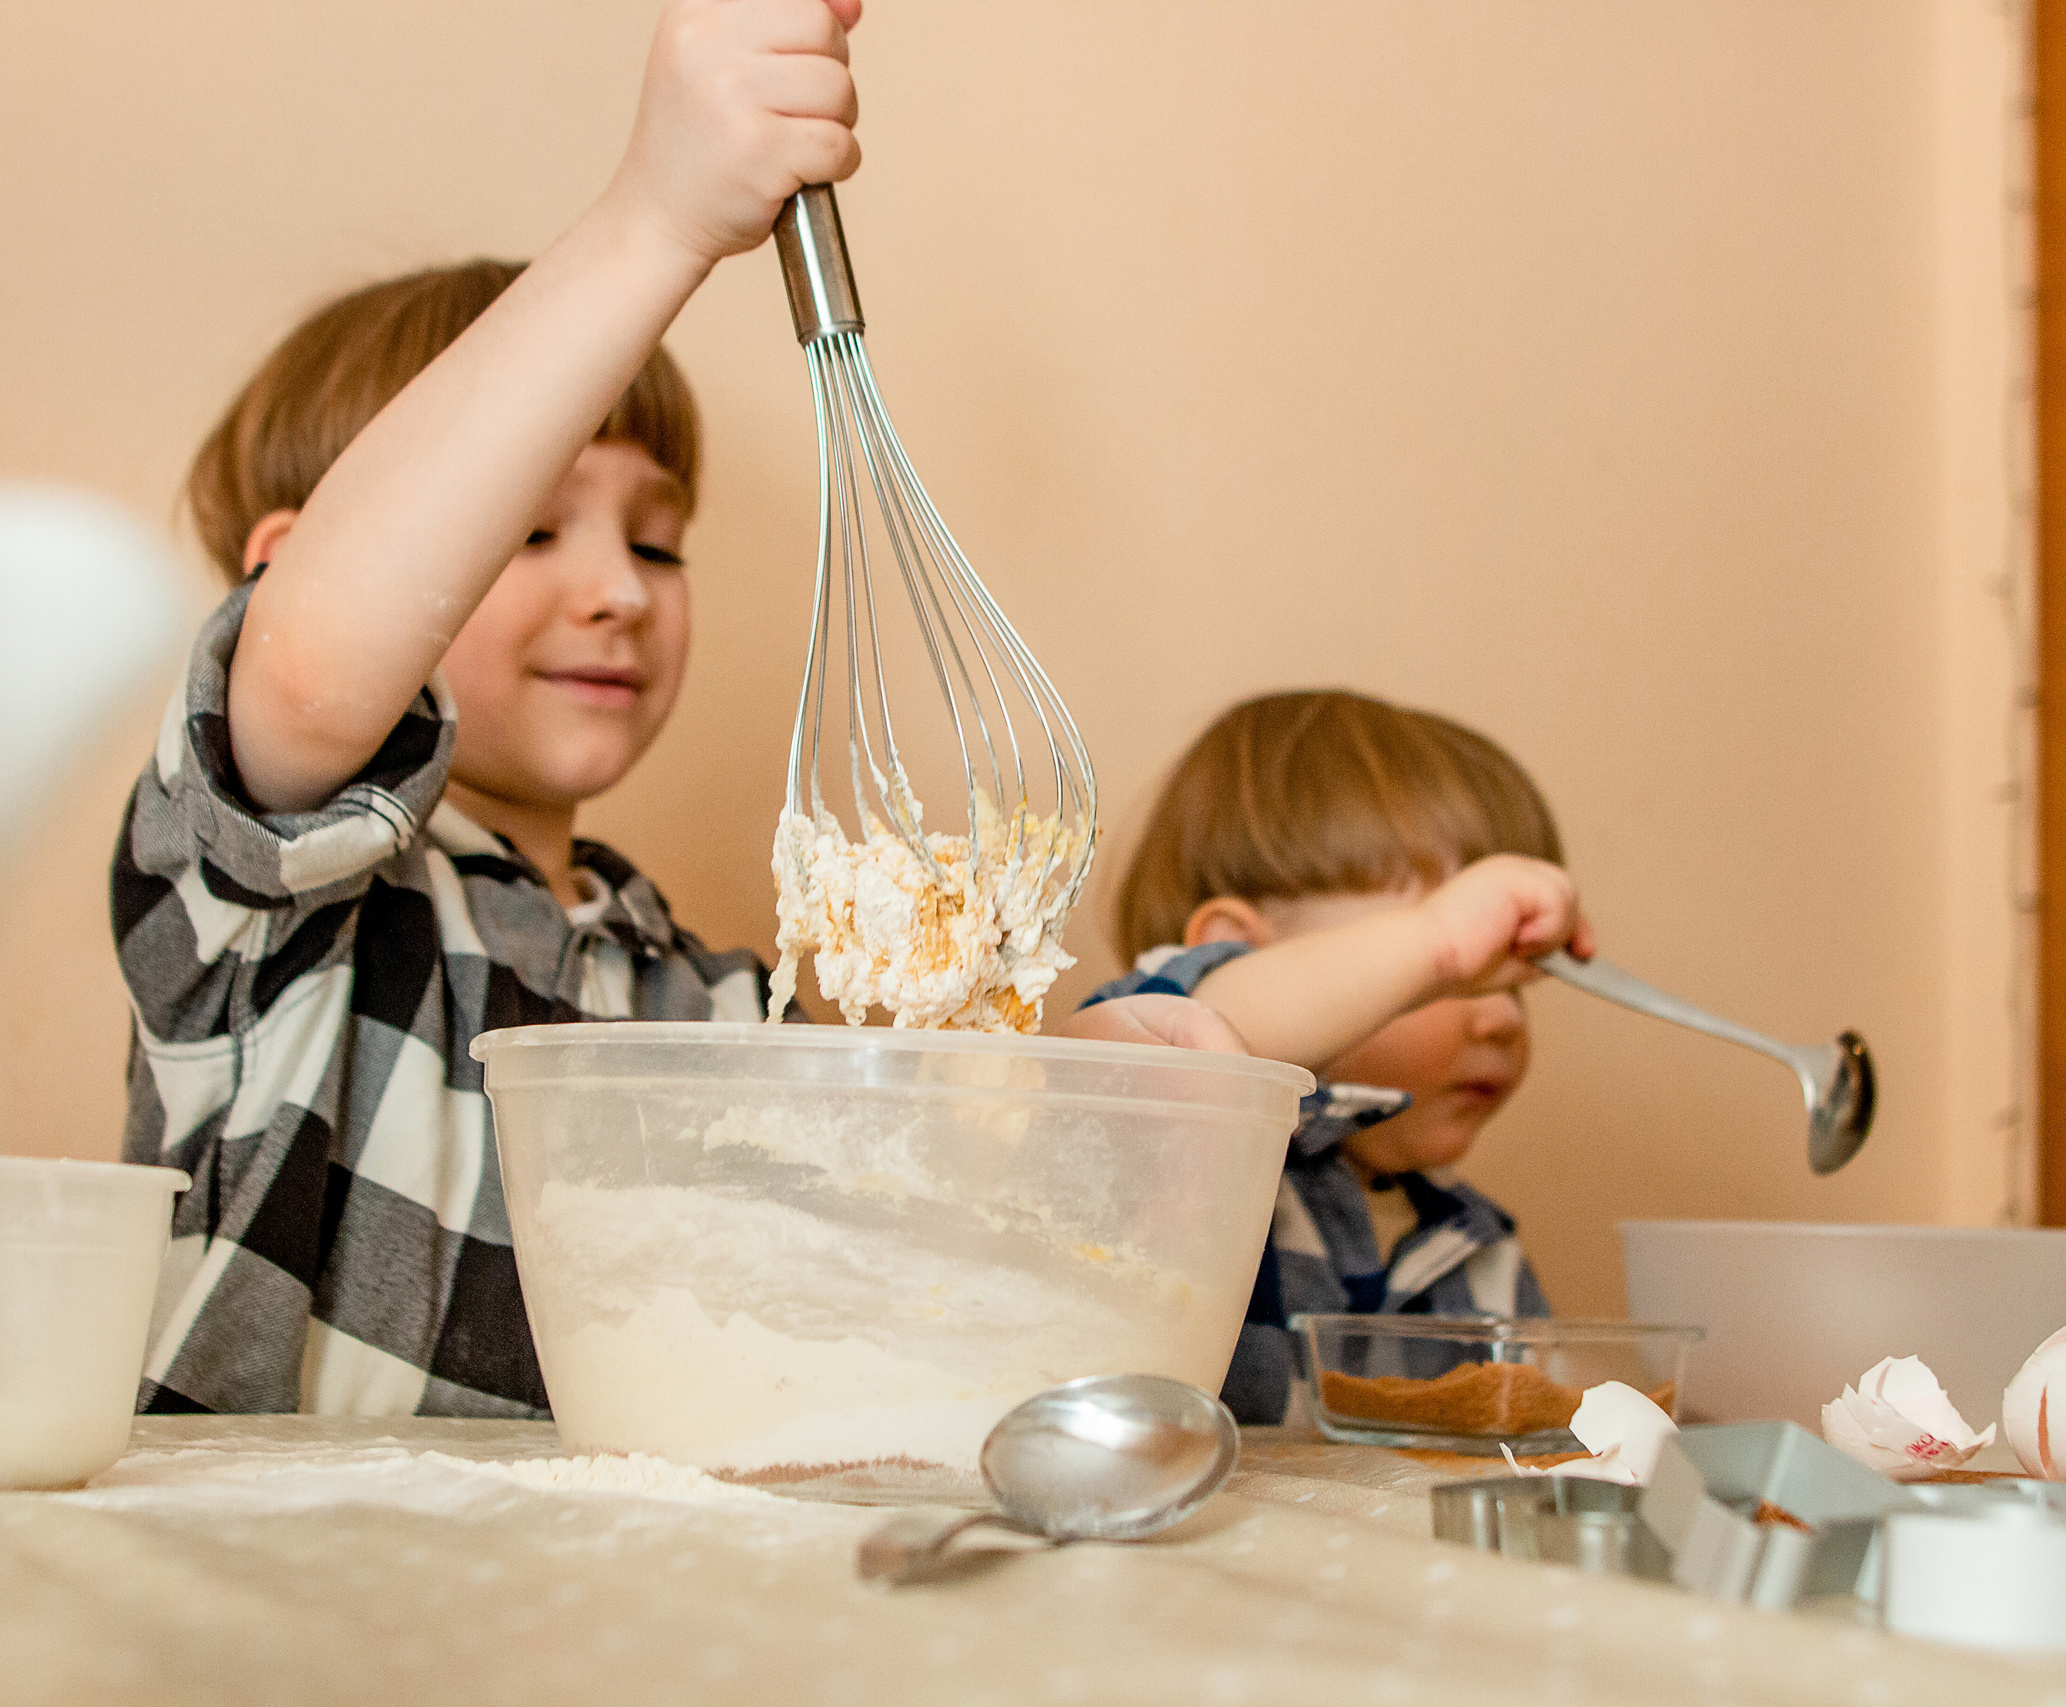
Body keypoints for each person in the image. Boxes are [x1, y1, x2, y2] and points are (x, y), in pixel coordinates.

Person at [111, 0, 1239, 1417]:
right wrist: (655, 216)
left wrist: (1073, 1085)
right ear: (283, 575)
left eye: (655, 541)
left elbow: (900, 1188)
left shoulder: (694, 1000)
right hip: (277, 1623)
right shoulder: (260, 909)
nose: (619, 593)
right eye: (527, 526)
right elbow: (312, 672)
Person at [1083, 690, 1589, 1425]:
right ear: (1234, 948)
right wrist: (1437, 941)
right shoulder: (1178, 1153)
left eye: (1515, 986)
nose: (1504, 1018)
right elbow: (1187, 1031)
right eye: (1451, 981)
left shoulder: (1480, 1252)